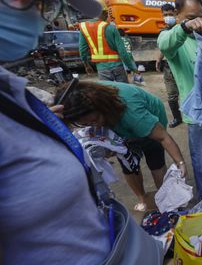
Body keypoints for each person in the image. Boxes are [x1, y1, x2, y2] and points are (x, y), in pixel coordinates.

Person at [0, 0, 160, 265]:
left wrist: (40, 127)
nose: (37, 15)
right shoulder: (110, 34)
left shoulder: (13, 92)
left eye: (46, 2)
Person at [58, 80, 188, 212]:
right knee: (128, 164)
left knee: (155, 160)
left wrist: (180, 163)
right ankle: (143, 198)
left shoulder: (132, 114)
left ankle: (168, 199)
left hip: (147, 116)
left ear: (104, 108)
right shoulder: (83, 98)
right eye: (86, 124)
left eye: (94, 120)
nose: (94, 125)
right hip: (119, 120)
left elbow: (163, 137)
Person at [157, 0, 202, 199]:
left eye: (200, 16)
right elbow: (164, 44)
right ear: (177, 14)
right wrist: (184, 27)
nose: (197, 22)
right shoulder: (175, 39)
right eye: (191, 17)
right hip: (197, 113)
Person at [79, 0, 139, 82]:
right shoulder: (111, 28)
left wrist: (86, 65)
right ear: (103, 12)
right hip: (118, 67)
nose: (107, 15)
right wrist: (132, 68)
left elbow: (82, 51)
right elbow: (122, 52)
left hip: (102, 69)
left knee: (109, 93)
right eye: (106, 13)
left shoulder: (84, 28)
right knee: (123, 92)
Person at [156, 3, 182, 128]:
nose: (168, 17)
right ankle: (177, 118)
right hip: (168, 66)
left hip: (181, 64)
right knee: (171, 94)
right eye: (165, 15)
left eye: (170, 14)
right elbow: (163, 47)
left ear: (176, 13)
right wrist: (159, 59)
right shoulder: (163, 32)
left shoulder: (182, 29)